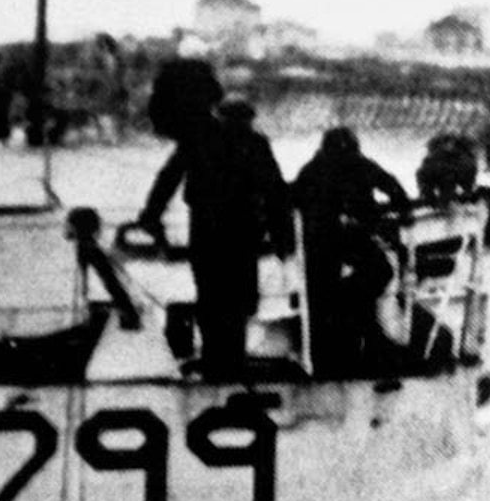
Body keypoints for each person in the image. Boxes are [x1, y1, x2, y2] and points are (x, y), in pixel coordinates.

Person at [135, 60, 296, 378]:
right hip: (242, 232)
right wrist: (283, 239)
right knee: (237, 304)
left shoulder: (200, 138)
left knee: (211, 300)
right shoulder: (255, 144)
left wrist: (151, 216)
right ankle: (229, 367)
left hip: (206, 230)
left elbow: (168, 179)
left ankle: (216, 366)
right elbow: (275, 194)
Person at [291, 127, 413, 375]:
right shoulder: (358, 165)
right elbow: (392, 186)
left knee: (323, 297)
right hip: (346, 240)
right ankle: (352, 330)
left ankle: (332, 348)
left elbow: (291, 197)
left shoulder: (313, 169)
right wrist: (403, 211)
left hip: (321, 244)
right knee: (378, 274)